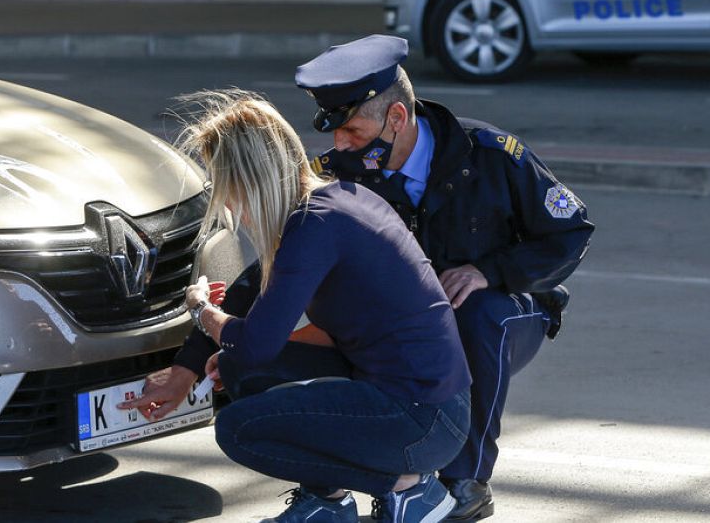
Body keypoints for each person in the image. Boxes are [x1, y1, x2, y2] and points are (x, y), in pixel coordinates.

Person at [123, 89, 472, 523]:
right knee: (236, 368)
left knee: (240, 431)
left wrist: (201, 309)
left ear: (249, 179)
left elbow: (256, 344)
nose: (229, 205)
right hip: (429, 404)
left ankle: (409, 490)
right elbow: (272, 328)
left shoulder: (314, 226)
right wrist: (211, 351)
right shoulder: (336, 201)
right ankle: (328, 503)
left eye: (226, 188)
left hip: (423, 420)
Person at [294, 35, 594, 521]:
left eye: (352, 130)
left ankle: (464, 482)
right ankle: (336, 487)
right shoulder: (338, 173)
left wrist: (489, 271)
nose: (340, 145)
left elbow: (571, 232)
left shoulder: (492, 154)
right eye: (336, 133)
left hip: (508, 308)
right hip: (406, 319)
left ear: (397, 118)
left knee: (478, 313)